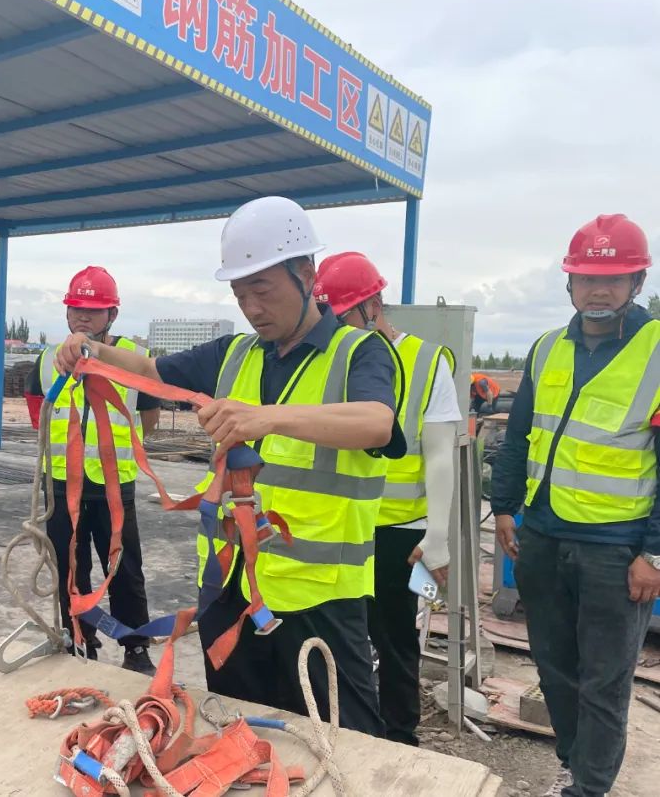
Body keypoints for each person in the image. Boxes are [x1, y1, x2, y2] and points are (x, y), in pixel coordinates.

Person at [54, 197, 405, 736]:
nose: (252, 308)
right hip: (229, 589)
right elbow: (151, 368)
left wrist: (267, 417)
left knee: (343, 740)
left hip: (319, 600)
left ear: (306, 274)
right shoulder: (235, 354)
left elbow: (376, 423)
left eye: (262, 290)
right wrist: (92, 351)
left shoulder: (359, 352)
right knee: (235, 735)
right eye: (240, 295)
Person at [492, 214, 660, 797]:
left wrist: (654, 553)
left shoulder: (656, 350)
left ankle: (589, 789)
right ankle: (573, 766)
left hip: (616, 550)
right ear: (569, 282)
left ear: (636, 283)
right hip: (542, 538)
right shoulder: (546, 348)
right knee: (554, 667)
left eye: (612, 279)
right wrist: (505, 507)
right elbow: (518, 436)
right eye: (587, 277)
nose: (598, 291)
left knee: (604, 681)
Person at [314, 251, 460, 746]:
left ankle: (399, 739)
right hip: (336, 524)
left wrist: (438, 535)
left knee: (396, 642)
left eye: (342, 317)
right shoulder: (327, 356)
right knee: (334, 636)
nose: (334, 327)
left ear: (374, 306)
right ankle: (341, 731)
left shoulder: (426, 361)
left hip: (398, 532)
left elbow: (440, 455)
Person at [26, 266, 161, 674]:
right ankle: (80, 638)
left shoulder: (133, 360)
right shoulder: (47, 360)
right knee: (70, 569)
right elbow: (39, 418)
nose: (82, 316)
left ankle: (135, 648)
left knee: (124, 570)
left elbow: (149, 417)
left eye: (94, 309)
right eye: (76, 308)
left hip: (113, 486)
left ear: (112, 315)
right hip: (61, 485)